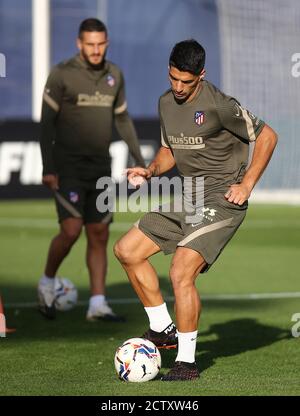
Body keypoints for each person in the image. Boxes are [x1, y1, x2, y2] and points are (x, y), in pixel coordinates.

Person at [114, 39, 278, 381]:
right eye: (173, 78)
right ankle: (162, 329)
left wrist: (246, 184)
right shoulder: (165, 102)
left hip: (222, 200)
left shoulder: (219, 104)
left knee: (180, 272)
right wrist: (150, 170)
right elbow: (169, 151)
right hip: (189, 196)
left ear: (200, 76)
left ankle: (187, 364)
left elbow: (267, 137)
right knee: (127, 250)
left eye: (186, 82)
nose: (178, 87)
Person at [38, 18, 145, 321]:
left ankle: (97, 304)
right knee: (71, 230)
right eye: (90, 44)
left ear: (107, 43)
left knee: (99, 233)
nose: (96, 50)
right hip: (68, 167)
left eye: (100, 44)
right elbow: (46, 125)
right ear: (79, 44)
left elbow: (122, 120)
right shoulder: (62, 74)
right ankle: (47, 282)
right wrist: (49, 166)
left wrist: (139, 160)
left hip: (101, 168)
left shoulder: (115, 75)